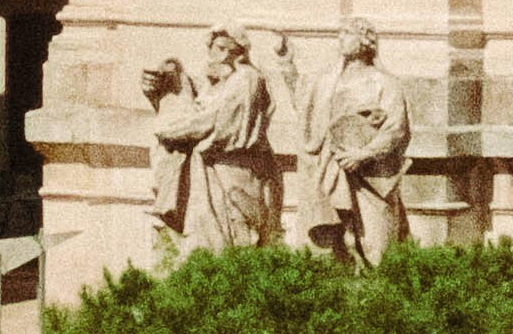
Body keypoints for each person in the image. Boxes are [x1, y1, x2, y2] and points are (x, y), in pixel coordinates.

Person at [142, 27, 280, 249]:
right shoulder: (217, 82)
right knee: (207, 240)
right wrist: (166, 84)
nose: (211, 54)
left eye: (216, 48)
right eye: (211, 47)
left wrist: (175, 131)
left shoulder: (247, 78)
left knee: (236, 237)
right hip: (210, 168)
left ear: (230, 51)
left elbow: (218, 121)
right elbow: (196, 102)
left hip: (236, 170)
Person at [291, 24, 415, 263]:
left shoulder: (384, 82)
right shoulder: (328, 82)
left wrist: (364, 154)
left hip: (372, 177)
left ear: (364, 41)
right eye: (339, 34)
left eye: (347, 34)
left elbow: (396, 127)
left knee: (376, 242)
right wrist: (286, 65)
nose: (340, 39)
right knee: (337, 243)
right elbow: (304, 104)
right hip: (334, 168)